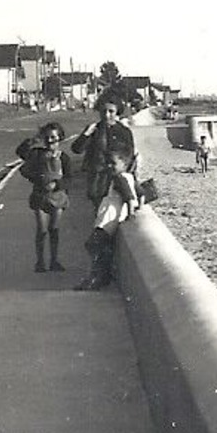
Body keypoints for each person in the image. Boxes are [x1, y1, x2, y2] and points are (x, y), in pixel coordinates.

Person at [70, 97, 141, 290]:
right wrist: (86, 134)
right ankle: (102, 271)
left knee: (105, 228)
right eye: (104, 111)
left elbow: (130, 158)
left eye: (111, 111)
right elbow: (76, 149)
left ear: (117, 112)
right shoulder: (94, 129)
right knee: (99, 219)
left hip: (115, 179)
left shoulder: (124, 132)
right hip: (97, 181)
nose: (107, 115)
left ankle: (103, 273)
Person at [15, 121, 69, 272]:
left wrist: (58, 185)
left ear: (60, 138)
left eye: (54, 137)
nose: (51, 140)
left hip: (58, 197)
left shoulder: (64, 158)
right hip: (40, 196)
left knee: (54, 229)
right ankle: (40, 262)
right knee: (42, 230)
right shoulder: (37, 154)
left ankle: (54, 260)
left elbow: (69, 178)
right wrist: (33, 140)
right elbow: (20, 153)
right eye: (47, 137)